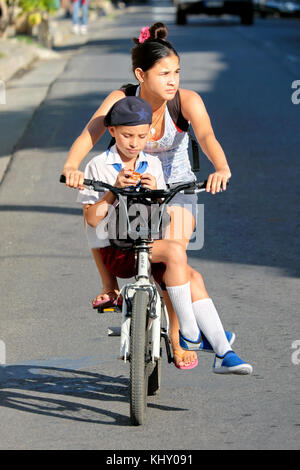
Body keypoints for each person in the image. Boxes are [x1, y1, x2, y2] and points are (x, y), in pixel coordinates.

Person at [62, 22, 234, 369]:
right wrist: (71, 165)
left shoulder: (187, 101)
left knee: (172, 257)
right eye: (164, 73)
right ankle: (114, 288)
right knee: (96, 219)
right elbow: (89, 134)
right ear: (141, 74)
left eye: (177, 72)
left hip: (177, 189)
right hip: (131, 187)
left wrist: (222, 168)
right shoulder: (121, 100)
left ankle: (177, 336)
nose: (173, 81)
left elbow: (208, 136)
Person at [76, 96, 253, 374]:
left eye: (142, 136)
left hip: (150, 245)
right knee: (174, 251)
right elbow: (91, 219)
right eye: (127, 135)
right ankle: (189, 333)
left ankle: (223, 351)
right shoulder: (97, 166)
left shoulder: (152, 164)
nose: (135, 143)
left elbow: (158, 216)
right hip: (119, 251)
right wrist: (114, 190)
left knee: (194, 277)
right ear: (112, 132)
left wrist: (154, 192)